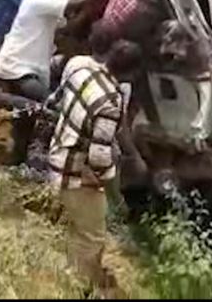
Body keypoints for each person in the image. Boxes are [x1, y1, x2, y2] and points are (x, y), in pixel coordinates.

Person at [48, 39, 143, 289]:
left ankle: (69, 273)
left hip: (57, 157)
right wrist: (115, 194)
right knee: (92, 238)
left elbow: (56, 101)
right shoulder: (110, 102)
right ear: (130, 73)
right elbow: (99, 158)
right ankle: (76, 287)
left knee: (77, 230)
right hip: (75, 176)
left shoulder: (80, 69)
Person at [0, 0, 116, 165]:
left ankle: (16, 164)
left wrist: (88, 12)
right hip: (19, 70)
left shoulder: (45, 11)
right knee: (55, 106)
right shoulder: (39, 1)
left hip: (21, 68)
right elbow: (74, 2)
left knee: (25, 123)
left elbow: (68, 26)